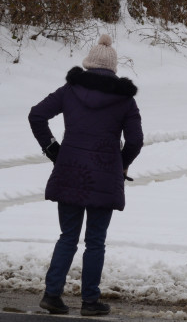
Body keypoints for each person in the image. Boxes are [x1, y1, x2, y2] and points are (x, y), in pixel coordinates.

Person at [28, 34, 143, 317]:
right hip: (104, 177)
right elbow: (136, 141)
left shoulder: (70, 90)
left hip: (71, 172)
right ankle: (90, 301)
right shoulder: (125, 100)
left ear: (88, 63)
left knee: (67, 236)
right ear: (113, 68)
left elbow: (36, 115)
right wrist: (121, 163)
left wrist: (54, 150)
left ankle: (52, 295)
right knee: (95, 241)